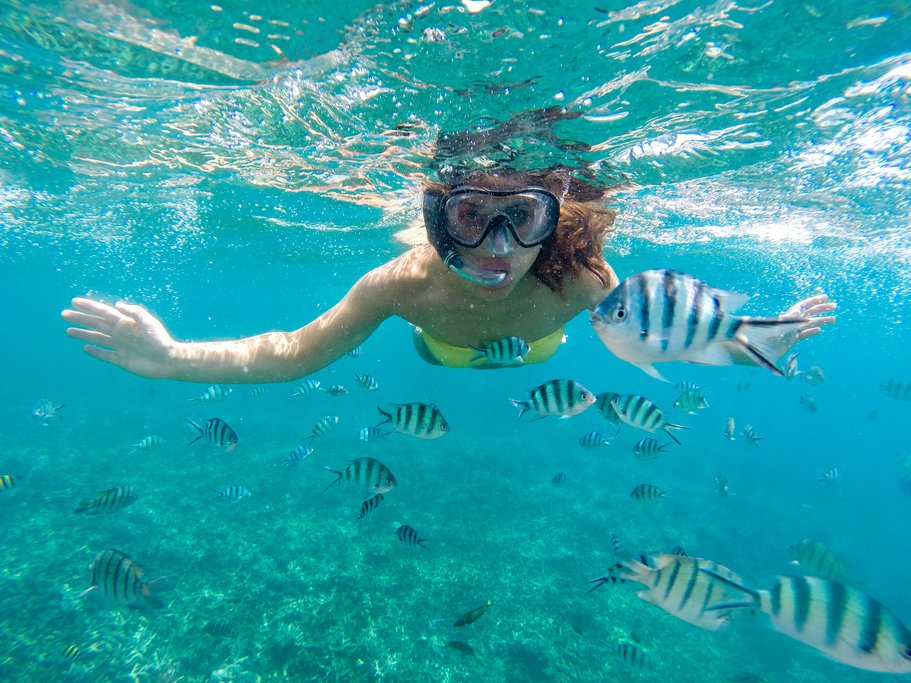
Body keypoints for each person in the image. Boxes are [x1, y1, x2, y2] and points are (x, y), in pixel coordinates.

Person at [61, 114, 836, 382]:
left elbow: (676, 334)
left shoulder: (584, 280)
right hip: (443, 341)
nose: (498, 246)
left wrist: (763, 341)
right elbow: (293, 351)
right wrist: (171, 357)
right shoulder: (396, 286)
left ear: (554, 219)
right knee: (444, 355)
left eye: (525, 217)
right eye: (470, 215)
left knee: (536, 354)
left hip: (541, 347)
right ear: (435, 219)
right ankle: (446, 354)